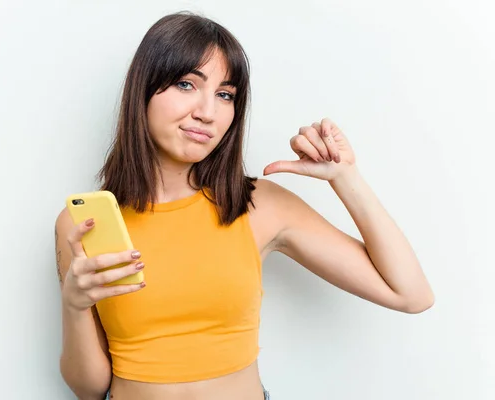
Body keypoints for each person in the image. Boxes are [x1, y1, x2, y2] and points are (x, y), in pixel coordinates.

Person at [54, 11, 434, 400]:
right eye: (186, 84)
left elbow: (411, 294)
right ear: (143, 92)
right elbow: (89, 389)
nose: (207, 112)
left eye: (225, 95)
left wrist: (346, 179)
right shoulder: (82, 224)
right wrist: (75, 304)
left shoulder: (257, 205)